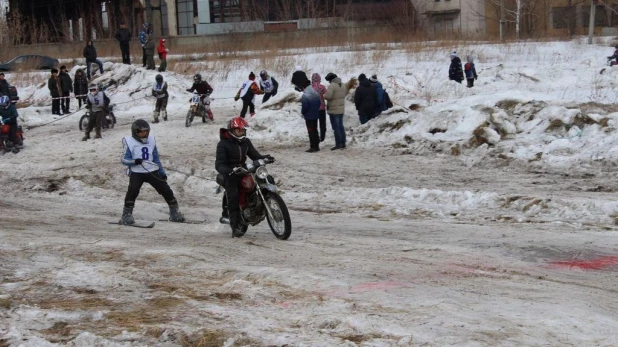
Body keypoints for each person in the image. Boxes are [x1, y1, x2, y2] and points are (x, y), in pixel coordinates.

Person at [120, 119, 185, 225]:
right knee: (133, 191)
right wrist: (134, 162)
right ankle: (126, 215)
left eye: (146, 131)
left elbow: (156, 158)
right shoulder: (128, 141)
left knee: (165, 189)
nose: (144, 134)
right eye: (141, 132)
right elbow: (123, 159)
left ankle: (174, 212)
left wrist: (162, 172)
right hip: (137, 172)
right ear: (135, 132)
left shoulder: (151, 140)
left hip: (152, 170)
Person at [215, 116, 273, 235]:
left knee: (267, 179)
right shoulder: (223, 144)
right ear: (231, 130)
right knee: (234, 195)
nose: (241, 132)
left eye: (242, 130)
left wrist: (265, 158)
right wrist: (230, 170)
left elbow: (255, 155)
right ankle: (235, 226)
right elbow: (219, 164)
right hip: (230, 174)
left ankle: (266, 203)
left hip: (244, 170)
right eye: (238, 130)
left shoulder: (246, 141)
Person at [324, 72, 346, 150]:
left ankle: (338, 144)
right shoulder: (343, 84)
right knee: (341, 126)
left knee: (336, 127)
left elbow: (328, 97)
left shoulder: (332, 86)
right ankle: (343, 143)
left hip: (334, 109)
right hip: (341, 109)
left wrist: (324, 95)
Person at [301, 80, 321, 152]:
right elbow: (319, 103)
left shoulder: (305, 95)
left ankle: (312, 146)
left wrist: (303, 112)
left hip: (309, 116)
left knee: (311, 131)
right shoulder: (316, 94)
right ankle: (317, 146)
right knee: (315, 130)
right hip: (315, 115)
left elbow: (305, 107)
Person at [311, 73, 328, 142]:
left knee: (314, 124)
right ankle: (322, 137)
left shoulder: (310, 87)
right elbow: (326, 95)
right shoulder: (322, 87)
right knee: (322, 123)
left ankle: (316, 137)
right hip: (322, 107)